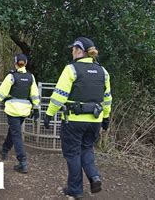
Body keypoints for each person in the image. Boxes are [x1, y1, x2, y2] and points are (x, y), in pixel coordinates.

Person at [43, 37, 112, 199]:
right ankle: (94, 176)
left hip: (74, 120)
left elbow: (59, 96)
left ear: (79, 50)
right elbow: (107, 98)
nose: (71, 51)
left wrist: (49, 114)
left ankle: (75, 189)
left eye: (73, 48)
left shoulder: (71, 69)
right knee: (87, 149)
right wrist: (106, 118)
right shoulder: (103, 71)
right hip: (95, 121)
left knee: (73, 154)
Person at [0, 53, 40, 173]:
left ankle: (22, 161)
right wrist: (36, 108)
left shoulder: (11, 76)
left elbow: (2, 92)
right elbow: (34, 94)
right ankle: (4, 149)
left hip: (12, 110)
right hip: (25, 110)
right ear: (26, 63)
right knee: (14, 131)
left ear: (15, 64)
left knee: (16, 134)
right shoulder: (31, 77)